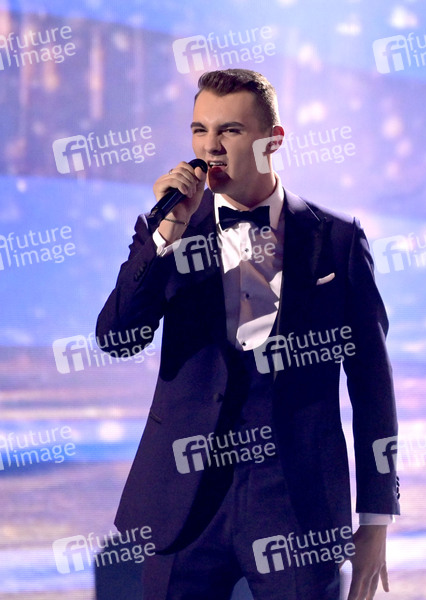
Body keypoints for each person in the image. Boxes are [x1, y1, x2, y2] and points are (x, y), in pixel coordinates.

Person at [96, 68, 399, 600]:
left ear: (272, 140)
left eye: (230, 131)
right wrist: (164, 237)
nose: (210, 147)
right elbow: (118, 337)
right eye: (199, 130)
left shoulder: (337, 240)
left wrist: (375, 521)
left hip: (297, 507)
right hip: (186, 503)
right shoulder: (168, 231)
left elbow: (373, 388)